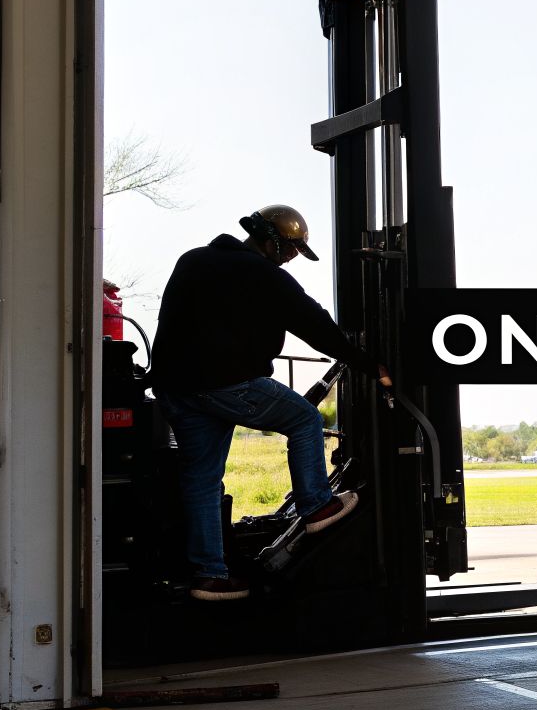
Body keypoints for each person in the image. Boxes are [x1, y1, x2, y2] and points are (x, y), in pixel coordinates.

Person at [151, 204, 390, 601]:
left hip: (176, 390)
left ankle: (210, 575)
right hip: (226, 383)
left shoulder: (193, 260)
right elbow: (315, 325)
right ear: (273, 241)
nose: (293, 257)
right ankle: (316, 507)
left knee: (202, 479)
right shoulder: (263, 274)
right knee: (304, 419)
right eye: (292, 248)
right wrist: (369, 365)